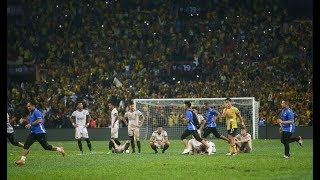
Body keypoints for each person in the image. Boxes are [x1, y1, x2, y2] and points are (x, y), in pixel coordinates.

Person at [15, 101, 65, 165]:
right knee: (26, 145)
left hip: (40, 132)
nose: (28, 108)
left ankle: (60, 149)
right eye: (27, 106)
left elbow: (39, 121)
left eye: (29, 106)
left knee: (46, 147)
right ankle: (22, 160)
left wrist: (30, 124)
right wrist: (26, 122)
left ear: (33, 106)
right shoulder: (32, 113)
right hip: (33, 133)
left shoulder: (36, 112)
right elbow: (32, 122)